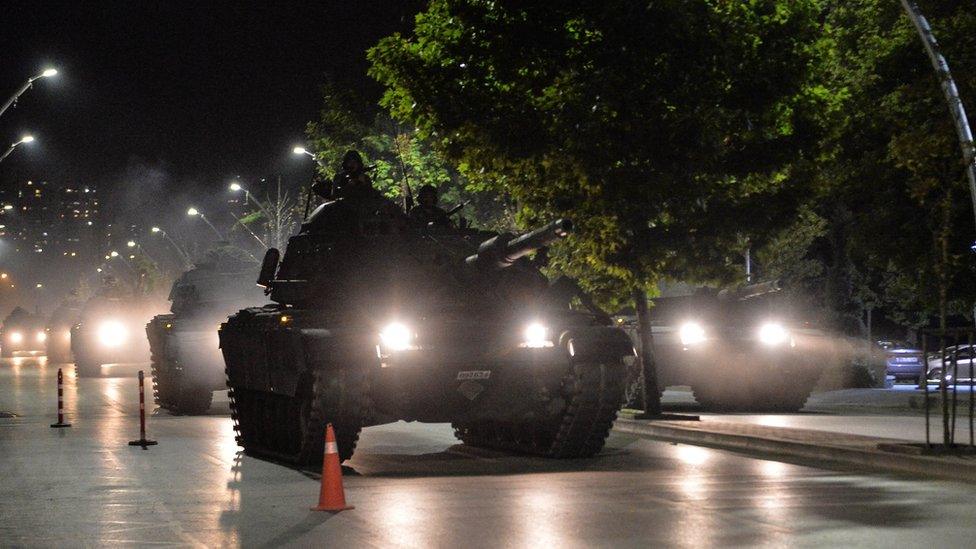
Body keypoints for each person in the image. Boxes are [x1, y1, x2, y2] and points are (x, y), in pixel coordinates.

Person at [312, 150, 378, 201]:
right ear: (346, 164)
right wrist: (349, 186)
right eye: (350, 162)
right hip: (343, 211)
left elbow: (369, 196)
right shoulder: (339, 177)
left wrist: (363, 184)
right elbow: (335, 195)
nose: (352, 164)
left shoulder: (365, 177)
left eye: (355, 162)